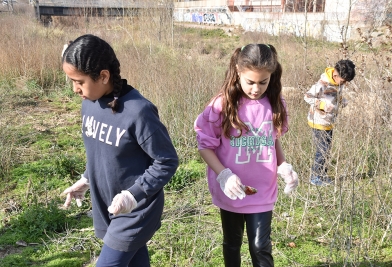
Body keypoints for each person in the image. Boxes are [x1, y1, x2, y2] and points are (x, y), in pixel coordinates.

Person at [60, 34, 179, 267]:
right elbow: (102, 150)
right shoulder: (89, 104)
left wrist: (132, 195)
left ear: (103, 76)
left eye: (79, 81)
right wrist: (86, 180)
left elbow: (166, 160)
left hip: (136, 210)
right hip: (108, 205)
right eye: (71, 81)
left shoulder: (139, 111)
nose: (74, 89)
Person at [194, 44, 298, 267]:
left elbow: (273, 138)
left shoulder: (275, 104)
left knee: (260, 246)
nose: (256, 89)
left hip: (263, 188)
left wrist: (283, 165)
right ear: (238, 72)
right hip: (233, 188)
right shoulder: (221, 105)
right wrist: (223, 175)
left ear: (272, 76)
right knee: (232, 243)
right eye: (250, 82)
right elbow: (205, 145)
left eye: (263, 82)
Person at [304, 59, 356, 186]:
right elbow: (307, 96)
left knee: (326, 150)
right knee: (322, 149)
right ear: (336, 75)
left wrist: (341, 101)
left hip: (329, 122)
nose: (345, 84)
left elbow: (335, 95)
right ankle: (315, 177)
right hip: (319, 121)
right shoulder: (322, 84)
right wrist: (321, 104)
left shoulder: (338, 83)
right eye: (344, 81)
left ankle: (322, 175)